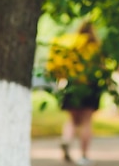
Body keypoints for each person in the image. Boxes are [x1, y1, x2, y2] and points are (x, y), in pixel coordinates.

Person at [46, 20, 107, 166]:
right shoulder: (94, 46)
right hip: (90, 86)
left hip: (72, 85)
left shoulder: (71, 44)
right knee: (86, 121)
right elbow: (102, 67)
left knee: (72, 120)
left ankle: (66, 140)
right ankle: (84, 156)